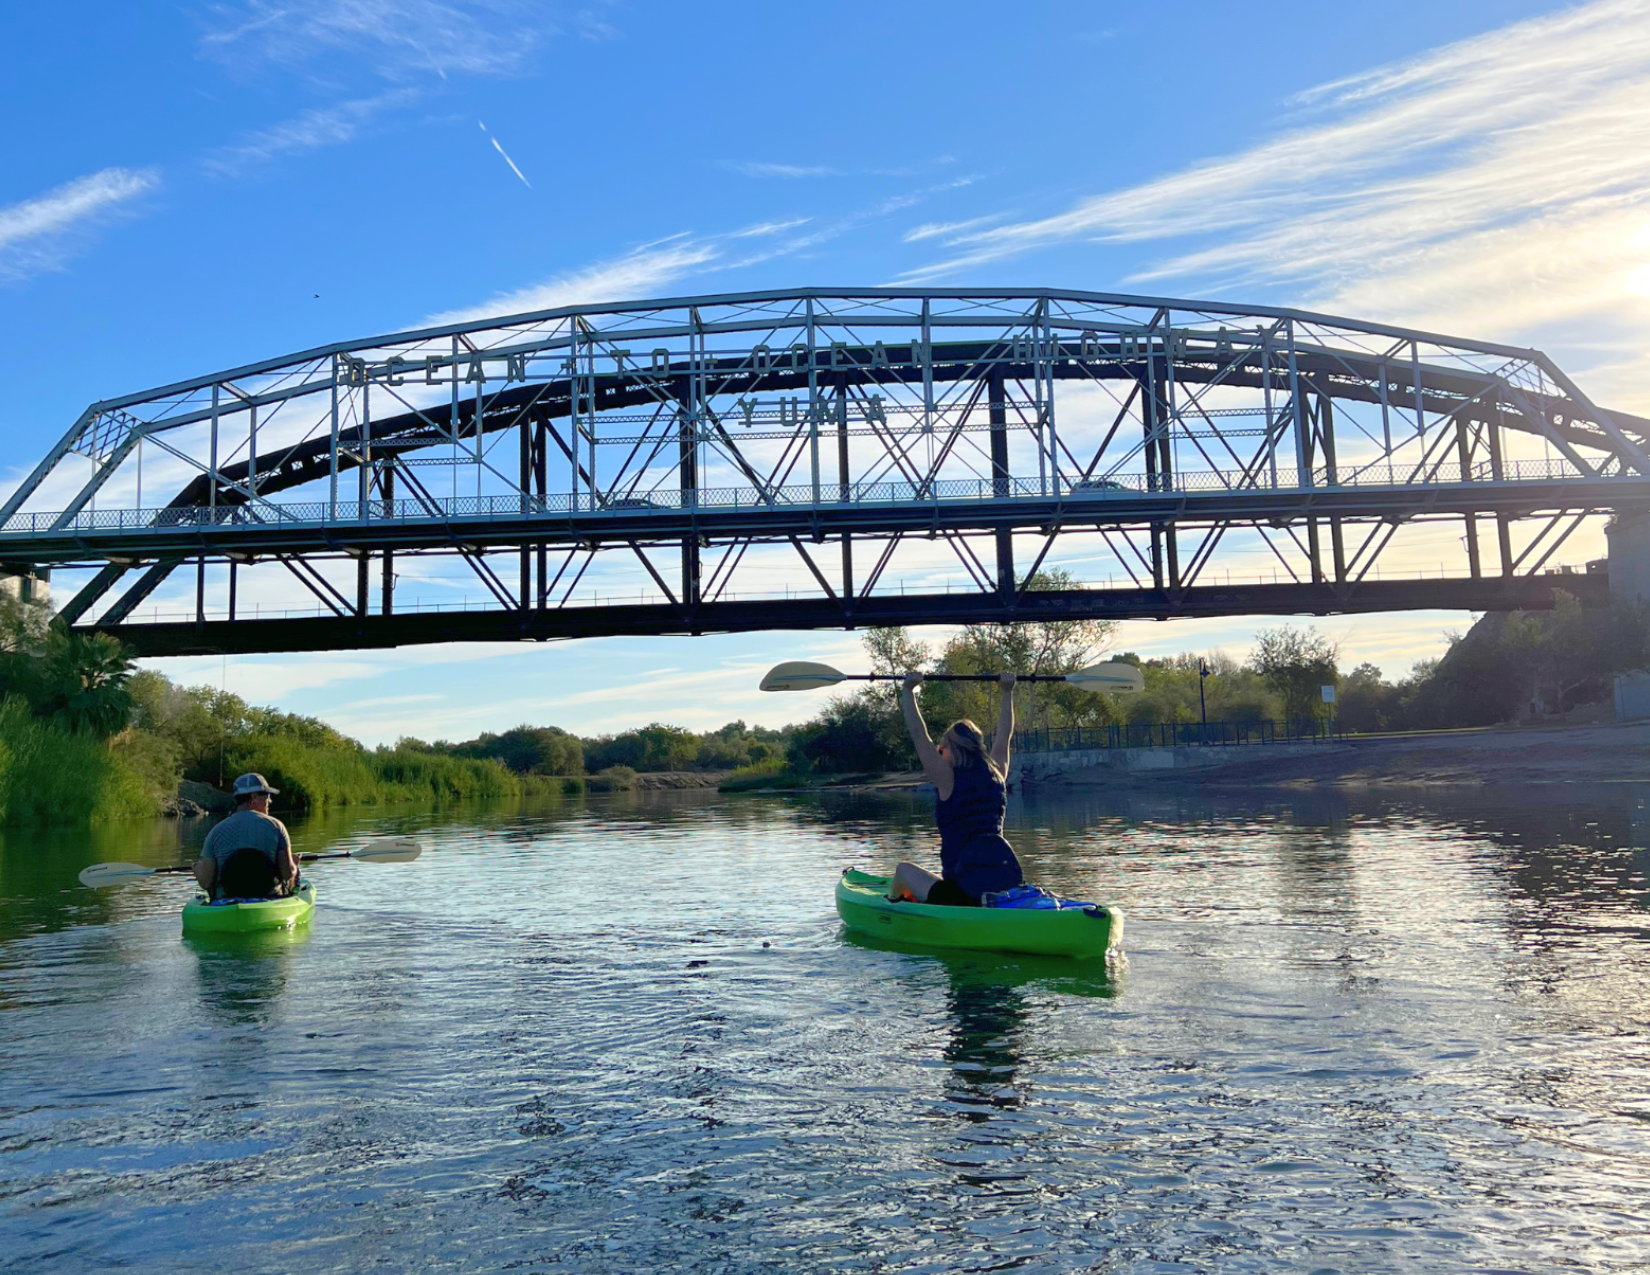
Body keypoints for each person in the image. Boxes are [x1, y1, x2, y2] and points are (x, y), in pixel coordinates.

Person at [890, 671, 1025, 906]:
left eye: (942, 749)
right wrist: (1007, 692)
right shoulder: (997, 774)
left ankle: (890, 908)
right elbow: (1004, 735)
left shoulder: (947, 779)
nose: (939, 753)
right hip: (1002, 890)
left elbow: (919, 735)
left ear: (952, 749)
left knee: (903, 870)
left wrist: (908, 691)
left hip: (960, 895)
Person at [194, 773, 298, 901]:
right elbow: (287, 873)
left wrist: (197, 870)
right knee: (294, 875)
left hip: (225, 903)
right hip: (268, 899)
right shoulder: (276, 827)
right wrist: (294, 865)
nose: (269, 801)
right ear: (253, 797)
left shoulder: (215, 831)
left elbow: (206, 882)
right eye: (266, 795)